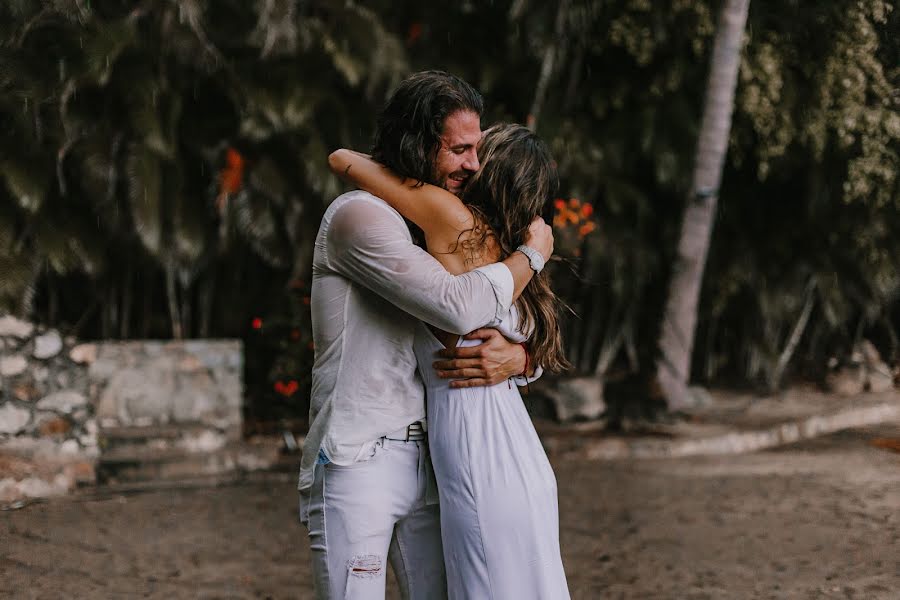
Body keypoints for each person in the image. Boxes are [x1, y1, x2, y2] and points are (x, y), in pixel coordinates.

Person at [298, 71, 552, 600]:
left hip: (434, 460)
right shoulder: (359, 218)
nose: (473, 166)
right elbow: (459, 308)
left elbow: (511, 319)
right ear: (417, 145)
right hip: (358, 459)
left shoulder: (437, 229)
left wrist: (523, 358)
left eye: (476, 151)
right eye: (459, 151)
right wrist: (532, 253)